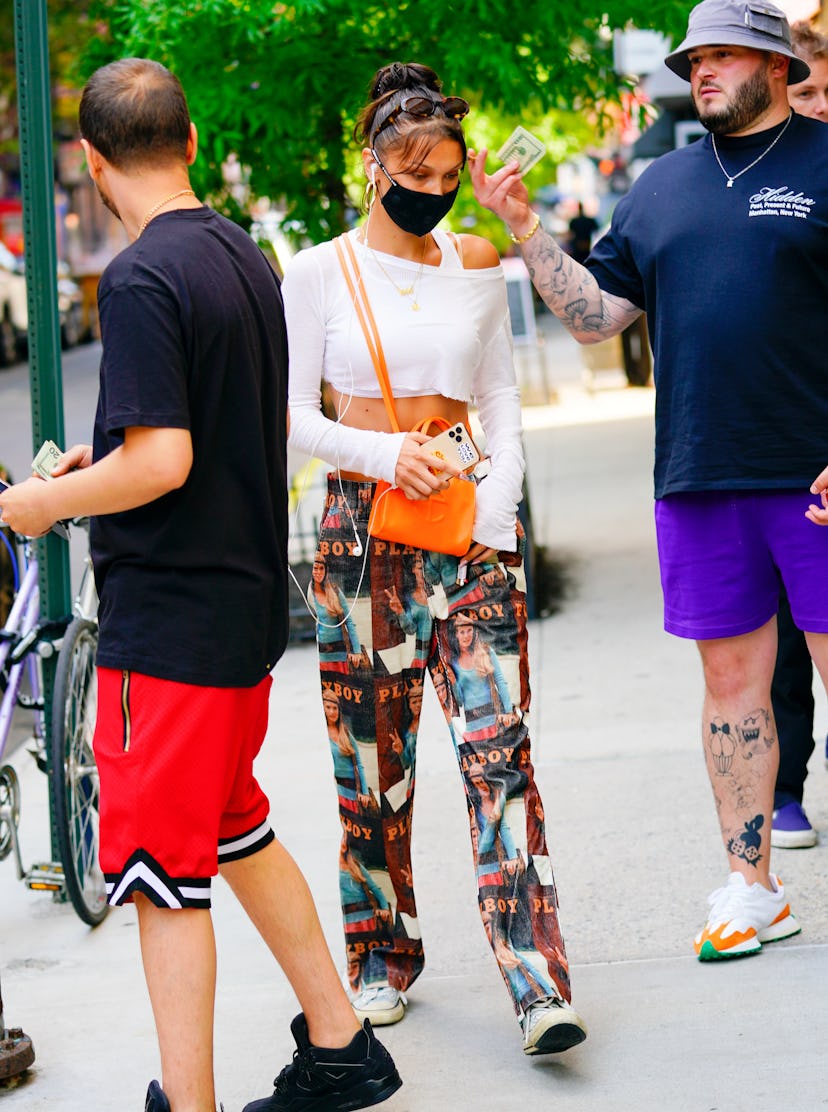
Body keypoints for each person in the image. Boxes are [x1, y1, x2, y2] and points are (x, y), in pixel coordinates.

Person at [0, 58, 401, 1112]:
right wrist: (91, 473)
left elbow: (163, 459)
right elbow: (204, 438)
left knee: (155, 873)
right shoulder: (241, 254)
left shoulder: (138, 278)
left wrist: (47, 504)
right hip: (238, 614)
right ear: (185, 139)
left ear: (92, 163)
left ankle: (191, 1101)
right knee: (235, 828)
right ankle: (343, 1040)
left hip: (168, 631)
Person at [471, 0, 828, 962]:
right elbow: (595, 316)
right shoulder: (661, 184)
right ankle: (752, 886)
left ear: (775, 62)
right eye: (692, 59)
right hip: (700, 474)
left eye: (719, 56)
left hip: (815, 477)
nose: (698, 72)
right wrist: (520, 228)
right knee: (730, 684)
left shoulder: (825, 160)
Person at [282, 60, 588, 1056]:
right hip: (361, 534)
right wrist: (383, 455)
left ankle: (539, 984)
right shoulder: (318, 271)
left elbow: (499, 402)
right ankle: (379, 959)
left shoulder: (472, 262)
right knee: (373, 770)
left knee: (501, 758)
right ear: (372, 167)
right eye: (413, 168)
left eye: (447, 168)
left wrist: (495, 515)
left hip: (470, 535)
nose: (433, 185)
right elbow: (291, 416)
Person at [768, 19, 828, 850]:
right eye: (808, 89)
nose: (820, 104)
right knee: (784, 633)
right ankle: (785, 787)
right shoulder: (771, 183)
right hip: (786, 448)